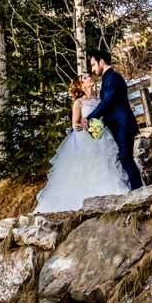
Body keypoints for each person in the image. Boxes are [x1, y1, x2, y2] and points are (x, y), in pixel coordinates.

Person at [34, 74, 130, 212]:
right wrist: (87, 127)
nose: (89, 77)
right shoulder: (79, 103)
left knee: (110, 162)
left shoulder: (100, 99)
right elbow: (75, 124)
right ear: (81, 86)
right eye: (84, 78)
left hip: (104, 135)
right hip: (86, 139)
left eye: (87, 76)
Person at [83, 49, 144, 190]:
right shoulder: (108, 79)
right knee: (124, 158)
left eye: (93, 64)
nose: (92, 69)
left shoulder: (114, 78)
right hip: (118, 125)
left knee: (126, 158)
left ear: (102, 62)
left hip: (123, 124)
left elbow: (108, 102)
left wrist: (90, 117)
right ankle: (137, 190)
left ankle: (138, 191)